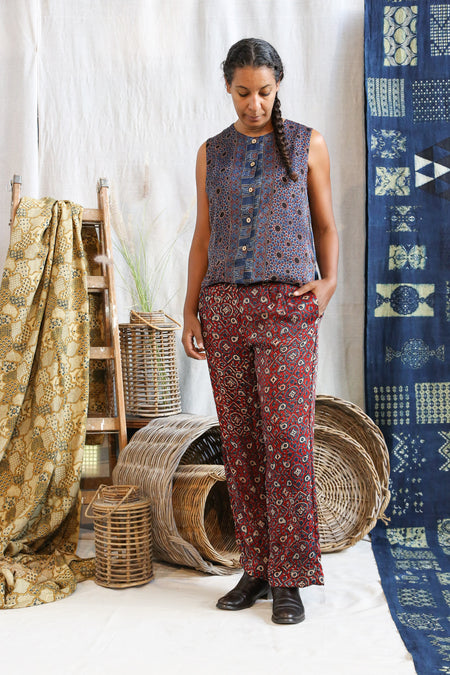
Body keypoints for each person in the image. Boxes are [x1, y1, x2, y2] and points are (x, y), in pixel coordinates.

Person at [182, 38, 338, 625]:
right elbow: (203, 236)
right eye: (243, 92)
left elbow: (325, 225)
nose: (254, 104)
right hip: (223, 308)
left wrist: (328, 283)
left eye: (265, 92)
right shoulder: (211, 152)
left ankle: (291, 576)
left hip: (287, 308)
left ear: (278, 86)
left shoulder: (306, 143)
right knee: (241, 442)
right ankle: (256, 567)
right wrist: (191, 309)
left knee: (288, 441)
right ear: (227, 87)